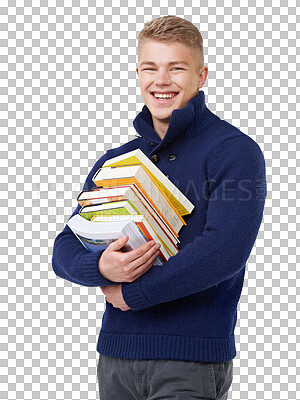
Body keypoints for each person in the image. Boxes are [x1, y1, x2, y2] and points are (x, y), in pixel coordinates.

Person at [52, 15, 267, 400]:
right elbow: (64, 246)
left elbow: (225, 252)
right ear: (138, 73)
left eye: (176, 68)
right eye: (150, 68)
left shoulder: (234, 151)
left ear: (201, 77)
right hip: (115, 357)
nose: (161, 80)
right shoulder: (117, 160)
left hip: (190, 362)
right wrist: (99, 267)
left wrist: (133, 293)